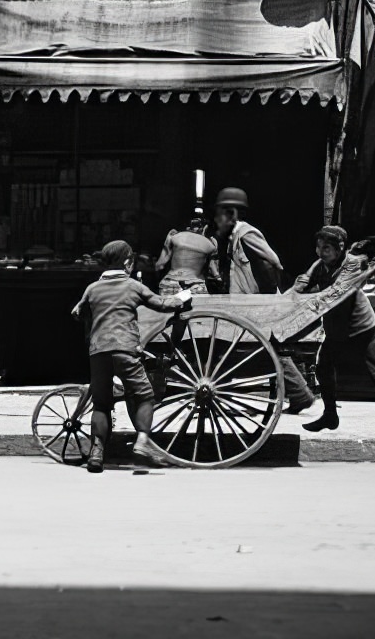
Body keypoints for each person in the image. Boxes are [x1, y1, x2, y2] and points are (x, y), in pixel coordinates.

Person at [72, 239, 189, 473]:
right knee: (145, 396)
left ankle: (97, 454)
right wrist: (182, 298)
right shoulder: (133, 286)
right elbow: (161, 304)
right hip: (125, 349)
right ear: (127, 263)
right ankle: (143, 442)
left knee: (102, 404)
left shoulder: (93, 288)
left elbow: (77, 312)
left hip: (99, 352)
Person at [294, 225, 375, 436]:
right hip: (336, 327)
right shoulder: (320, 265)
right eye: (318, 247)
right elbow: (303, 283)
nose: (320, 252)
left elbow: (337, 292)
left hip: (361, 326)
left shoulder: (351, 265)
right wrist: (291, 294)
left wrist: (313, 297)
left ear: (340, 248)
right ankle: (330, 415)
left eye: (326, 248)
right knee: (323, 368)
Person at [212, 187, 282, 294]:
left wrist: (269, 296)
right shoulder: (232, 237)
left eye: (222, 214)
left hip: (258, 299)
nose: (218, 219)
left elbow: (274, 262)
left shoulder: (247, 233)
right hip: (241, 297)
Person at [155, 214, 217, 296]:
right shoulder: (211, 244)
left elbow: (159, 265)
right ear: (205, 227)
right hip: (196, 285)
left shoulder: (173, 237)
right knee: (201, 308)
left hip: (171, 282)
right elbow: (214, 271)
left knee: (168, 308)